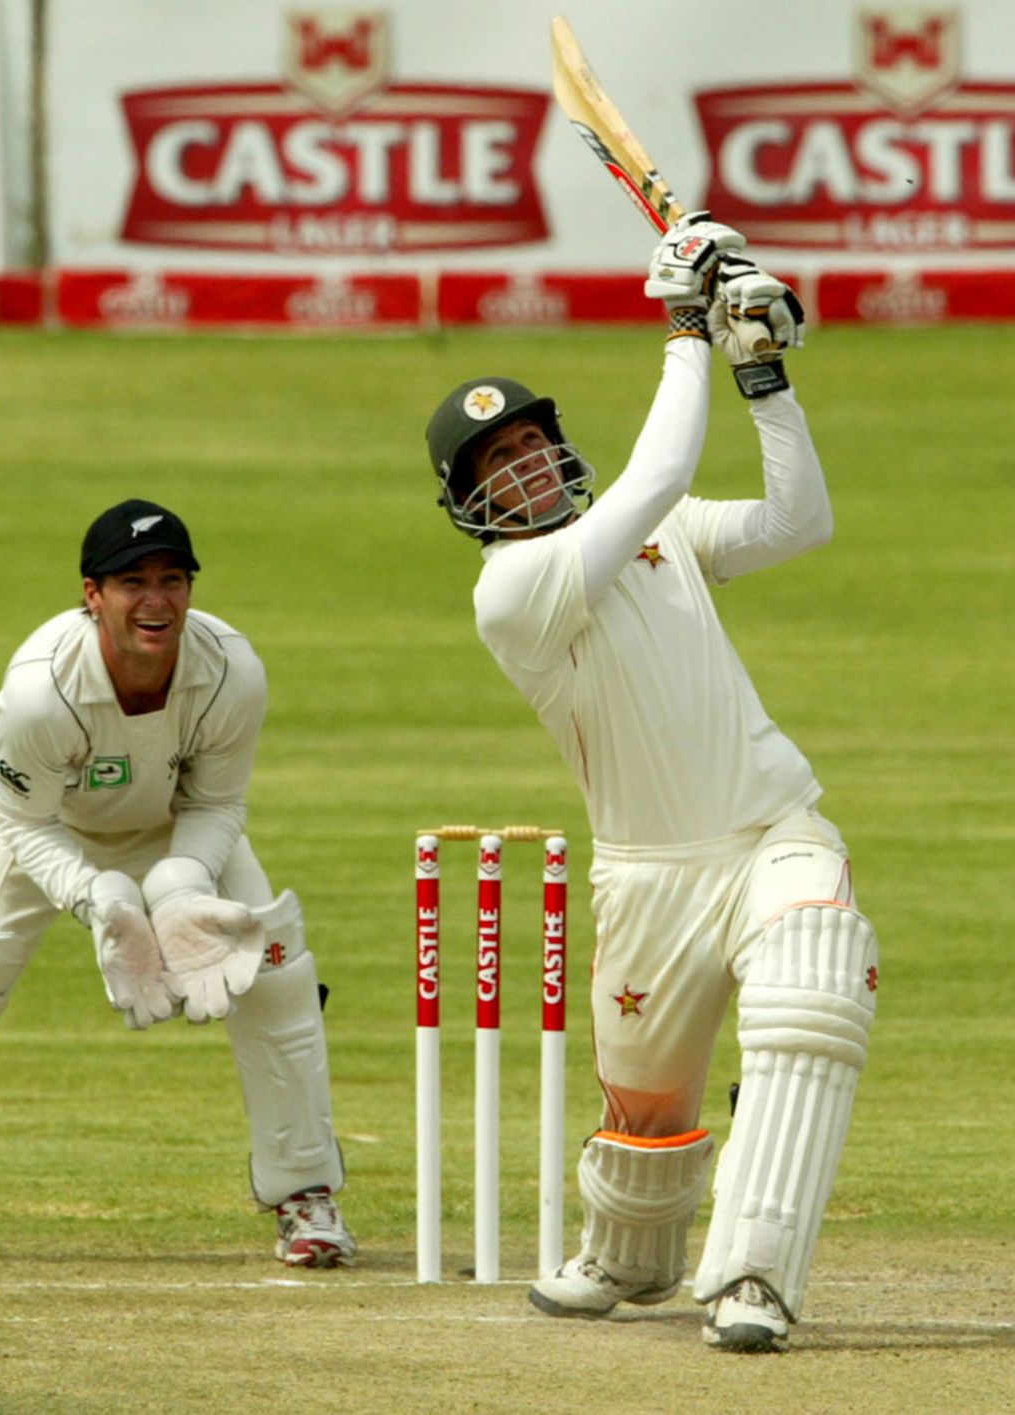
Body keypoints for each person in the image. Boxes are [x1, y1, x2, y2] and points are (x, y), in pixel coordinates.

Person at [424, 216, 878, 1354]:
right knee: (644, 1107)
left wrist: (762, 377)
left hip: (771, 827)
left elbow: (796, 522)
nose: (523, 464)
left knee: (811, 994)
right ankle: (629, 1254)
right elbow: (661, 466)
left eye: (530, 443)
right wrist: (685, 328)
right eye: (496, 463)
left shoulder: (660, 530)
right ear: (471, 500)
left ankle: (752, 1277)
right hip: (647, 873)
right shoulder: (515, 591)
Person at [0, 499, 355, 1270]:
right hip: (35, 823)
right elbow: (21, 819)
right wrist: (97, 896)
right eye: (133, 582)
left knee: (270, 965)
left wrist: (180, 885)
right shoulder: (43, 687)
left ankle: (307, 1196)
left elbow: (217, 803)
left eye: (172, 580)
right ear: (93, 595)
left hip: (169, 820)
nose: (156, 600)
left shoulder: (231, 671)